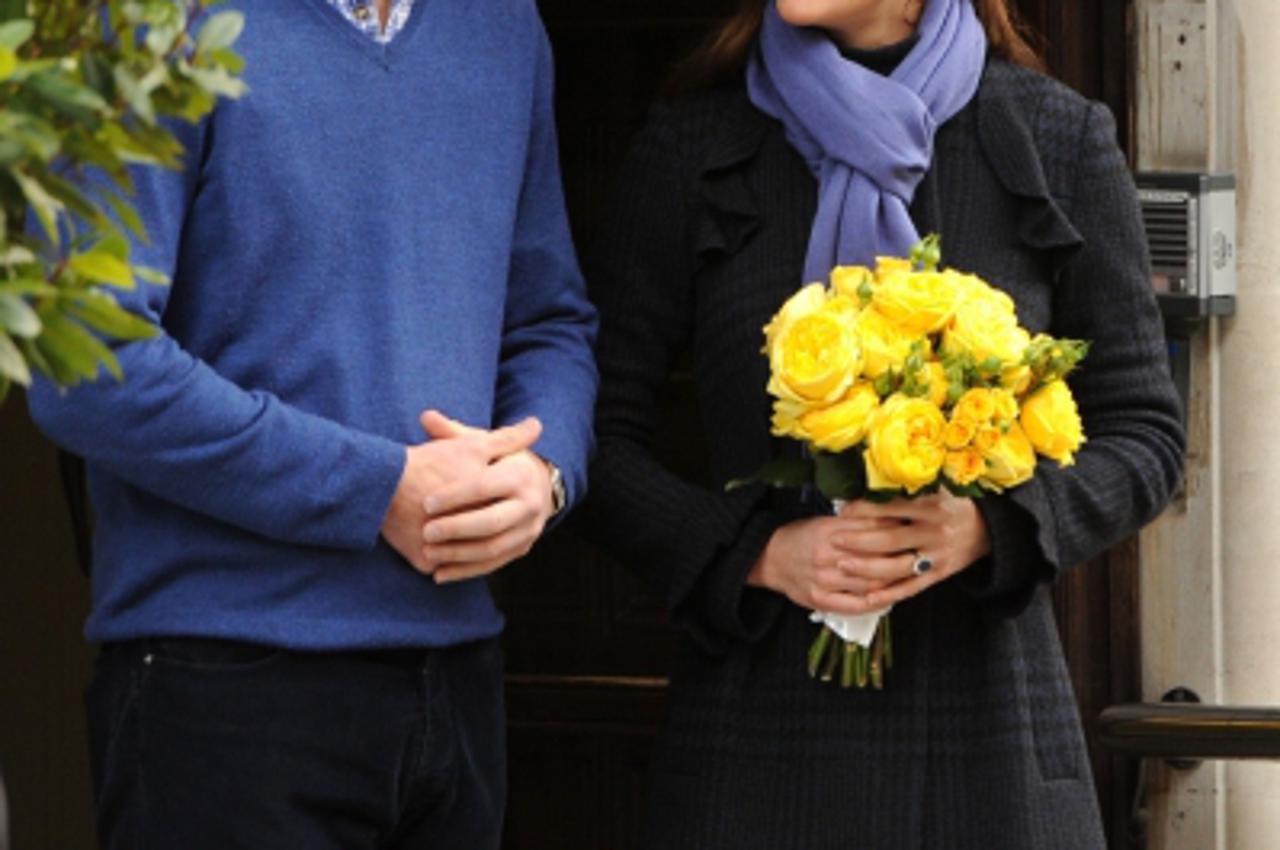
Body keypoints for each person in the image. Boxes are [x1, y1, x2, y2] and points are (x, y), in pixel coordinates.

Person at [584, 0, 1184, 847]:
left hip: (991, 742)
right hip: (757, 740)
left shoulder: (1056, 136)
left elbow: (1148, 434)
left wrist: (990, 527)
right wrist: (753, 553)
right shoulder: (691, 146)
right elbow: (591, 438)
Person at [26, 0, 598, 847]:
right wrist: (377, 491)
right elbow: (84, 364)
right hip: (226, 685)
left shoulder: (504, 27)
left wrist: (542, 472)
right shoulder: (151, 24)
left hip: (459, 680)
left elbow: (548, 321)